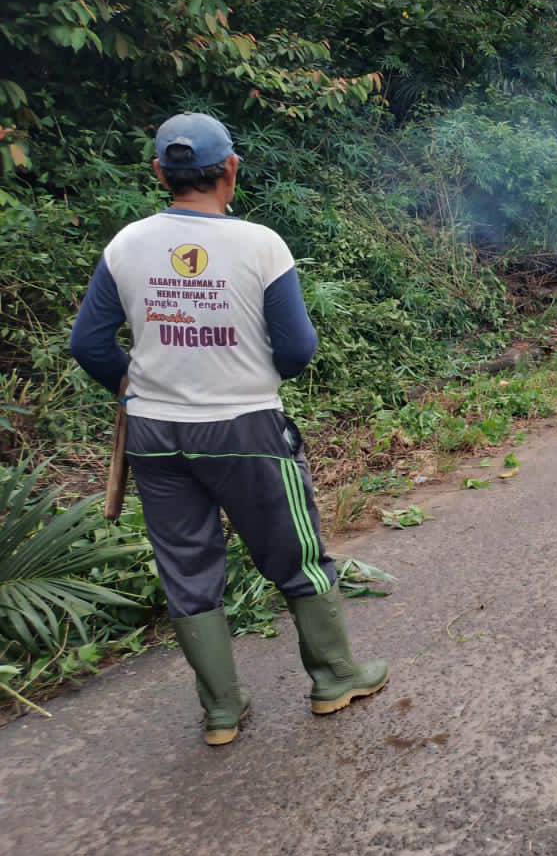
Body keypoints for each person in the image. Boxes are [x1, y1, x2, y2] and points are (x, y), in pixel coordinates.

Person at [70, 112, 387, 747]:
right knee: (295, 552)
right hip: (246, 428)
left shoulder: (126, 245)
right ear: (231, 169)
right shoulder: (260, 244)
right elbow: (297, 349)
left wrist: (128, 385)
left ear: (160, 172)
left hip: (156, 435)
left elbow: (90, 344)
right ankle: (334, 677)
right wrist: (245, 370)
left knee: (186, 566)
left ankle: (221, 709)